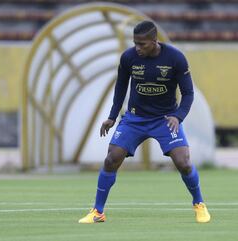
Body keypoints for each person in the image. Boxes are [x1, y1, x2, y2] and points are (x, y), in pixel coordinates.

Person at [78, 20, 210, 224]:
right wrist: (112, 117)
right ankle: (98, 212)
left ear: (154, 41)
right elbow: (120, 88)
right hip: (134, 118)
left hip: (165, 119)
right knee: (112, 158)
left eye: (142, 44)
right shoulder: (128, 57)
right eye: (135, 43)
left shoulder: (175, 58)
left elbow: (188, 93)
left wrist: (178, 116)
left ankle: (199, 204)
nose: (137, 48)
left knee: (183, 163)